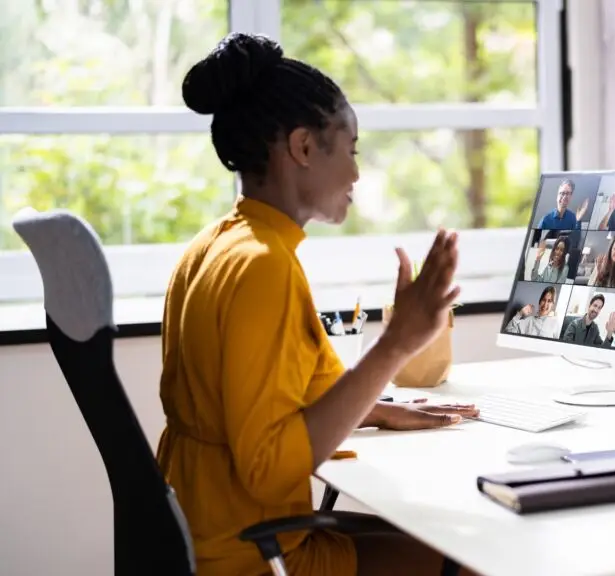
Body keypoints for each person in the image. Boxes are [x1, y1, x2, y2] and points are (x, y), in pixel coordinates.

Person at [157, 33, 481, 576]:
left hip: (199, 532)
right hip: (249, 554)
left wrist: (376, 408)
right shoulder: (265, 266)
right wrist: (398, 342)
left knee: (437, 530)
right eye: (350, 151)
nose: (355, 175)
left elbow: (275, 398)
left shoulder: (217, 244)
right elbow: (265, 468)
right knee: (477, 557)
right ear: (304, 148)